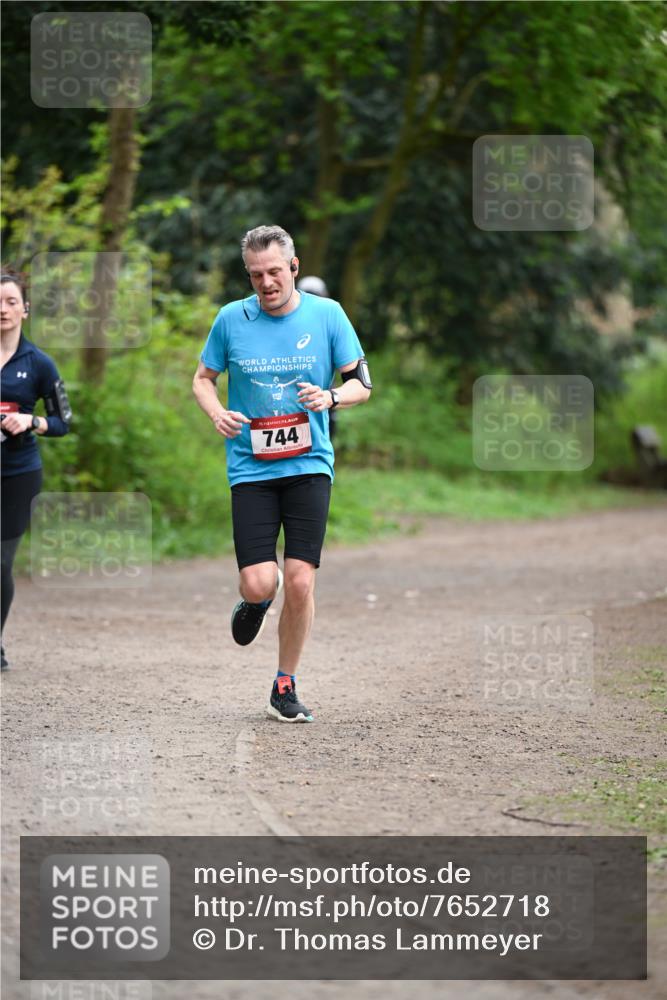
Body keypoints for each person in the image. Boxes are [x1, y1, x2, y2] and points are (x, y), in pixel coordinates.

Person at [193, 225, 371, 722]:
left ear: (293, 268)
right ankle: (253, 604)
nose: (266, 283)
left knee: (299, 582)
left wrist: (333, 396)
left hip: (309, 464)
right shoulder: (231, 319)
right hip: (250, 467)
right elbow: (203, 379)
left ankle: (284, 684)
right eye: (256, 275)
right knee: (259, 582)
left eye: (274, 272)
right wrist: (216, 413)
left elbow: (361, 382)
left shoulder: (328, 315)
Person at [1, 267, 71, 671]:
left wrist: (32, 421)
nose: (3, 310)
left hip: (17, 473)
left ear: (25, 309)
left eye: (11, 302)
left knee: (0, 563)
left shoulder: (40, 363)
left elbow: (63, 421)